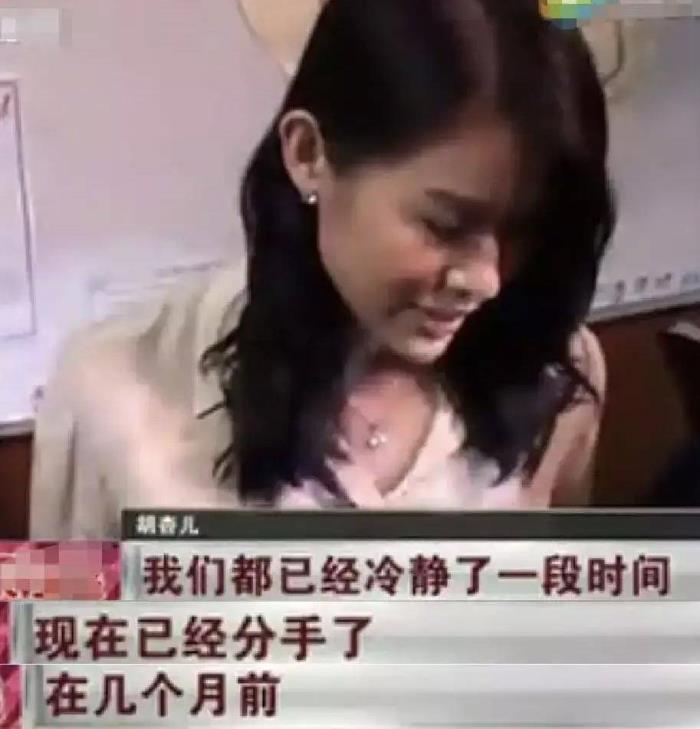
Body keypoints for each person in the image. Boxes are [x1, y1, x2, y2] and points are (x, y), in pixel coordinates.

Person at [30, 0, 615, 538]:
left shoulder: (555, 371)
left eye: (521, 231)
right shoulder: (111, 386)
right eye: (445, 226)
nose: (486, 280)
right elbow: (67, 616)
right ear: (309, 154)